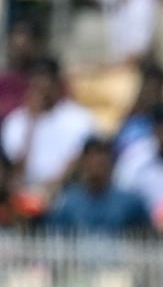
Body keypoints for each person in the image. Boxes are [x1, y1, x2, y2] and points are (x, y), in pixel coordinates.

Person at [0, 56, 95, 194]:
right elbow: (15, 173)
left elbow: (83, 161)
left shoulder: (80, 118)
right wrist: (31, 123)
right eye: (35, 81)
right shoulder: (15, 122)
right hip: (25, 194)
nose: (41, 87)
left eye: (45, 79)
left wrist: (53, 187)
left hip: (69, 191)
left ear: (57, 83)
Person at [44, 137, 152, 231]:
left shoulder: (131, 203)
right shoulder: (67, 203)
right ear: (83, 163)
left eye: (102, 159)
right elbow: (55, 241)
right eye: (92, 159)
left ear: (111, 163)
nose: (97, 164)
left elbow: (146, 239)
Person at [115, 102, 163, 214]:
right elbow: (122, 195)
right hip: (142, 224)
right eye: (161, 131)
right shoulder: (135, 158)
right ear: (153, 131)